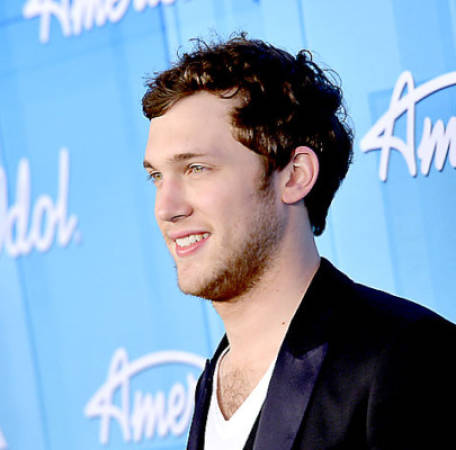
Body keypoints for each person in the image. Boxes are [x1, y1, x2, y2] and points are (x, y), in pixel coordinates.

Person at [141, 35, 456, 449]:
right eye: (157, 176)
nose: (166, 207)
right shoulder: (213, 383)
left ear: (294, 175)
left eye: (197, 168)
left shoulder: (406, 358)